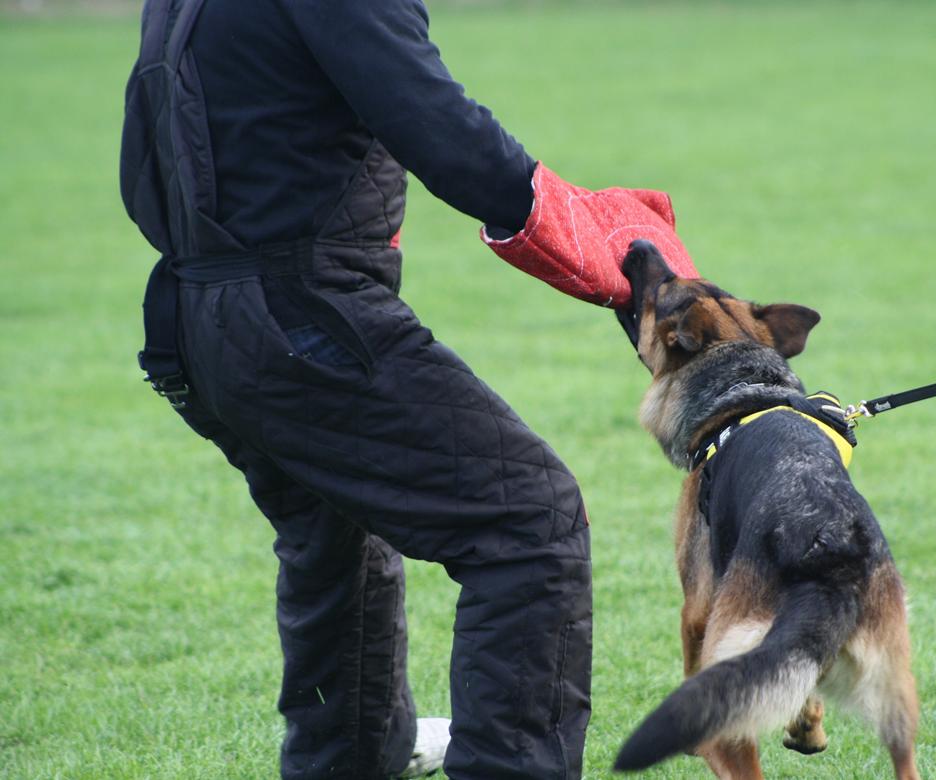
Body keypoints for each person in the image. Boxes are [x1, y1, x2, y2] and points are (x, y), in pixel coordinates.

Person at [120, 1, 695, 778]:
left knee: (335, 539)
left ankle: (347, 760)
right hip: (297, 309)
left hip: (203, 310)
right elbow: (433, 122)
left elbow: (147, 153)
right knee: (529, 518)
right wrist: (599, 245)